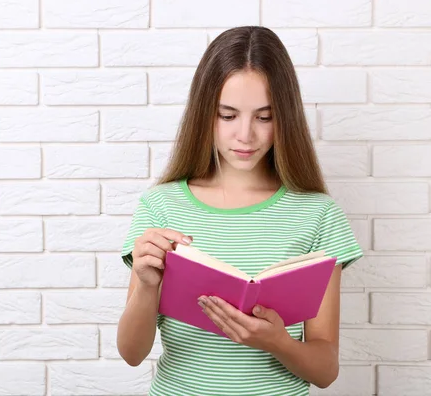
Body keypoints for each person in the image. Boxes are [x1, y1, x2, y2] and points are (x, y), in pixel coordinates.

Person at [116, 26, 363, 396]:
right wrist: (147, 286)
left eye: (264, 117)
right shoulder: (160, 206)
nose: (245, 135)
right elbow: (132, 353)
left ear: (286, 117)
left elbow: (326, 370)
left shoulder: (318, 214)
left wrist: (277, 341)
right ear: (204, 114)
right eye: (227, 115)